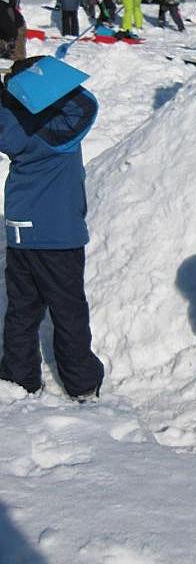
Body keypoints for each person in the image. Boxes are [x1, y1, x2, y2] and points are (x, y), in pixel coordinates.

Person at [0, 56, 104, 400]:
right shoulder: (59, 127)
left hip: (19, 231)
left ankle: (18, 375)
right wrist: (42, 74)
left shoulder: (9, 119)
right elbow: (86, 103)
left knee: (22, 309)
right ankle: (81, 381)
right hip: (57, 235)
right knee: (68, 310)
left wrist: (14, 90)